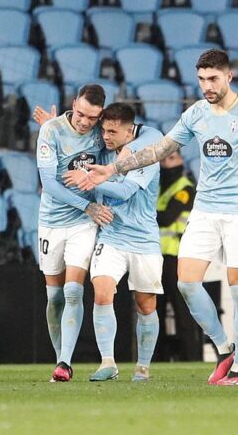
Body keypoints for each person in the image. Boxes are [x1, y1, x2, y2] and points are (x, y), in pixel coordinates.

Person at [79, 49, 238, 386]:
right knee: (185, 282)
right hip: (205, 209)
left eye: (213, 79)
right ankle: (225, 347)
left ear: (229, 76)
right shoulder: (196, 113)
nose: (206, 86)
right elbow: (159, 149)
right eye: (201, 80)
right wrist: (113, 167)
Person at [62, 103, 163, 382]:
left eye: (112, 131)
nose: (105, 136)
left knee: (145, 304)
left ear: (130, 131)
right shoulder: (102, 153)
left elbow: (127, 190)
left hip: (143, 238)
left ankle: (143, 367)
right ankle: (108, 362)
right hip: (112, 235)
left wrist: (90, 182)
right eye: (104, 130)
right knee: (102, 292)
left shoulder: (145, 156)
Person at [35, 84, 114, 382]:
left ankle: (65, 363)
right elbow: (50, 185)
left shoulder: (100, 133)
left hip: (82, 224)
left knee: (72, 290)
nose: (84, 122)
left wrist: (89, 208)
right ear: (73, 105)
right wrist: (88, 206)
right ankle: (60, 358)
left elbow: (137, 134)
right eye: (80, 114)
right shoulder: (51, 131)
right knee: (54, 296)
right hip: (52, 222)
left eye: (92, 118)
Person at [156, 150, 199, 361]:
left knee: (182, 310)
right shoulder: (157, 187)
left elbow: (166, 217)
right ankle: (158, 359)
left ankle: (190, 357)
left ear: (182, 160)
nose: (166, 164)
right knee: (156, 311)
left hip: (176, 258)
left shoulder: (185, 189)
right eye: (163, 160)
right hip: (156, 257)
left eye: (171, 159)